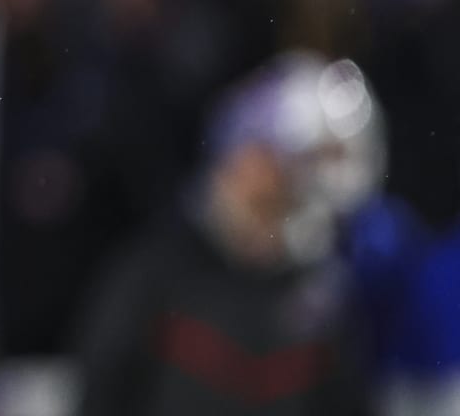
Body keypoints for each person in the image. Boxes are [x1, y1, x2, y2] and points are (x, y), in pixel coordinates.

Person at [74, 51, 384, 416]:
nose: (263, 182)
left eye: (281, 169)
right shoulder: (154, 277)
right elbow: (102, 389)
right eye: (253, 157)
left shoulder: (323, 299)